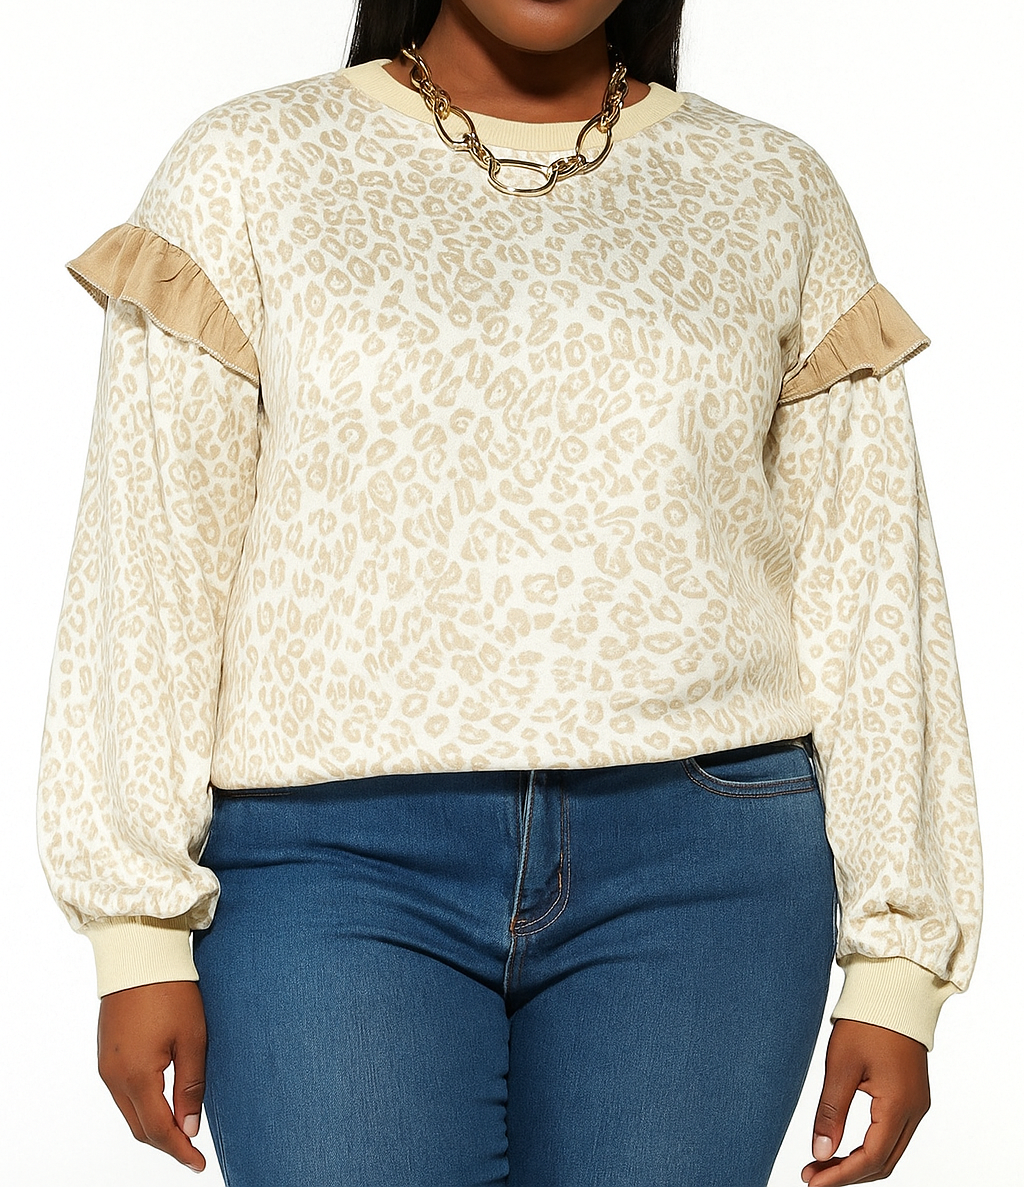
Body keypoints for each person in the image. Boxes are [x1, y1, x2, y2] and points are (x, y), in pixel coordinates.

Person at [36, 1, 982, 1184]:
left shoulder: (769, 188)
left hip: (702, 868)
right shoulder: (249, 166)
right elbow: (152, 559)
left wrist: (898, 964)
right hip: (330, 861)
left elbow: (870, 581)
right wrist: (136, 933)